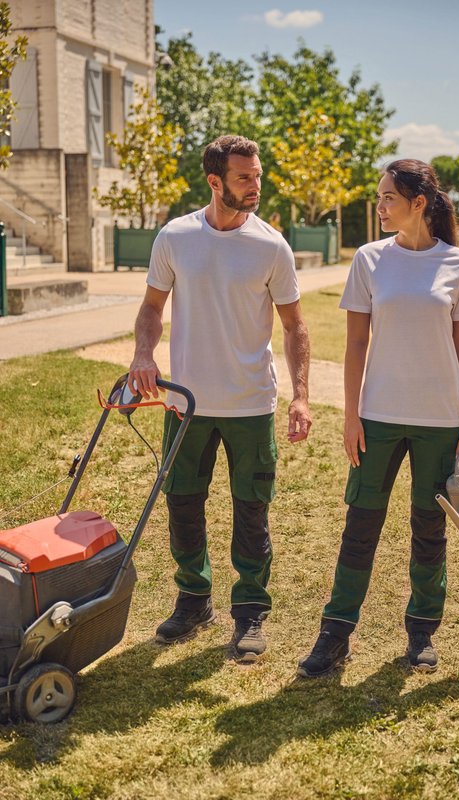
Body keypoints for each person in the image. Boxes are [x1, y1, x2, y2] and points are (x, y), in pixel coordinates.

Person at [128, 135, 311, 662]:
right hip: (185, 404)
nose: (256, 186)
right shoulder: (176, 237)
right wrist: (144, 353)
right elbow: (150, 309)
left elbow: (295, 326)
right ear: (215, 181)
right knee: (183, 502)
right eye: (244, 178)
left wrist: (301, 396)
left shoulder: (271, 245)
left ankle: (250, 611)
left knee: (251, 509)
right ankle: (193, 600)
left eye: (257, 175)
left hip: (251, 404)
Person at [298, 159, 459, 677]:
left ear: (418, 203)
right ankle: (335, 632)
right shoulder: (369, 261)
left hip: (440, 421)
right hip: (376, 419)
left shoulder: (456, 265)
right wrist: (351, 417)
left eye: (387, 198)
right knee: (360, 526)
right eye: (378, 197)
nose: (379, 206)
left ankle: (421, 631)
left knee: (429, 529)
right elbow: (356, 343)